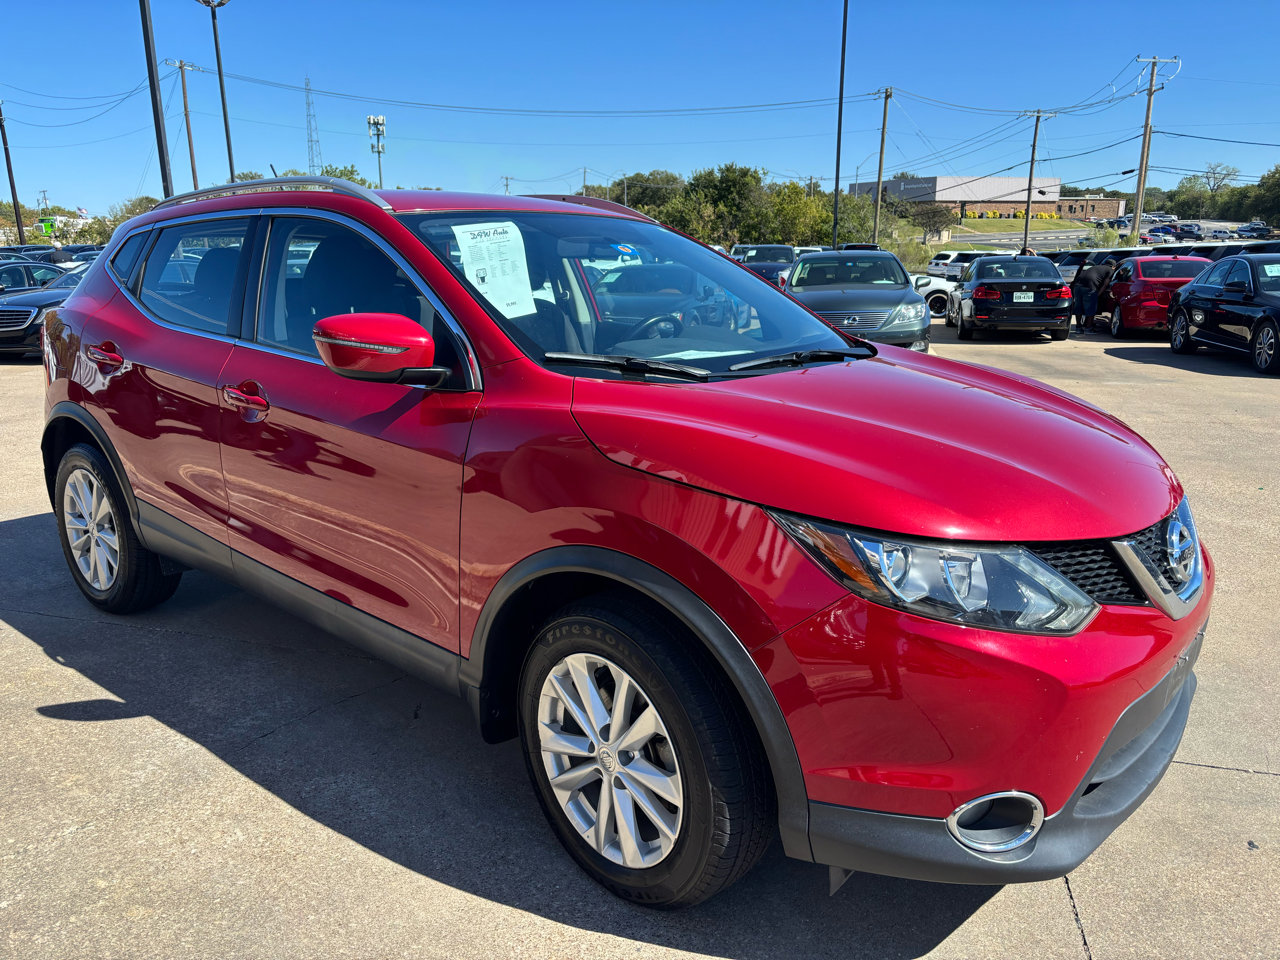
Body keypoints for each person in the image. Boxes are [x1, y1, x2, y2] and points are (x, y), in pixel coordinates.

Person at [1072, 257, 1117, 331]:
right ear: (1113, 267)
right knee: (1091, 308)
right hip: (1090, 286)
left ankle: (1078, 327)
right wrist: (1098, 294)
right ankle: (1088, 328)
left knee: (1078, 307)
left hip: (1078, 285)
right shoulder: (1110, 270)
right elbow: (1105, 284)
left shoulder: (1096, 267)